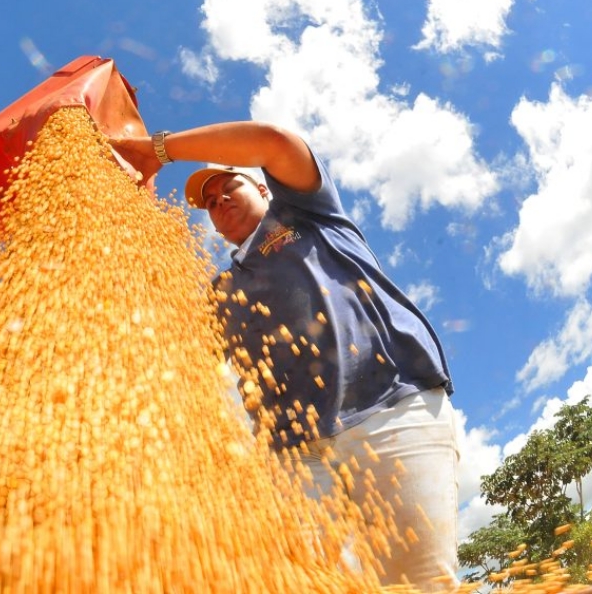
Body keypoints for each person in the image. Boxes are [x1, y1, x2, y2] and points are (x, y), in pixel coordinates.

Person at [111, 122, 460, 591]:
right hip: (291, 454)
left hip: (387, 407)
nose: (219, 203)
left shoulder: (307, 214)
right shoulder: (221, 292)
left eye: (226, 187)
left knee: (420, 583)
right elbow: (171, 358)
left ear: (260, 186)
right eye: (209, 204)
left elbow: (274, 144)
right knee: (305, 583)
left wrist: (158, 151)